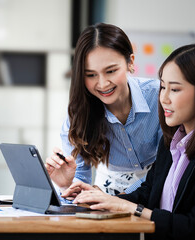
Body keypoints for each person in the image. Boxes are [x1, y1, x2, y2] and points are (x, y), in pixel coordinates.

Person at [65, 44, 195, 240]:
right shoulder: (173, 140)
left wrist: (134, 209)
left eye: (174, 89)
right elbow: (149, 192)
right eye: (163, 86)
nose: (163, 98)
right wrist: (103, 199)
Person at [45, 23, 162, 198]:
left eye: (111, 71)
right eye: (91, 75)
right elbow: (80, 181)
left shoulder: (160, 97)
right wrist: (67, 184)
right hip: (105, 195)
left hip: (157, 190)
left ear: (130, 62)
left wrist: (121, 198)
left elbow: (170, 164)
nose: (102, 84)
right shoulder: (79, 115)